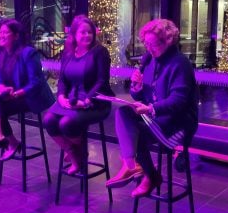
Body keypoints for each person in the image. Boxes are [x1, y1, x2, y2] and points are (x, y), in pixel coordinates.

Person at [106, 19, 199, 198]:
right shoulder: (151, 61)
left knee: (136, 135)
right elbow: (143, 98)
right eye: (146, 43)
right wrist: (137, 88)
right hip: (158, 119)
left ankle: (146, 173)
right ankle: (133, 165)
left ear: (168, 42)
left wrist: (150, 109)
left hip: (178, 125)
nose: (149, 48)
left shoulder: (180, 64)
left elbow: (178, 102)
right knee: (123, 113)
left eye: (153, 44)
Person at [43, 15, 114, 174]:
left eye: (90, 32)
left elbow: (102, 81)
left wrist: (87, 100)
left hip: (96, 102)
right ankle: (75, 154)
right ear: (74, 35)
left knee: (66, 123)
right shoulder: (68, 54)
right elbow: (62, 80)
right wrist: (61, 97)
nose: (87, 35)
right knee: (48, 120)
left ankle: (78, 155)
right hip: (71, 100)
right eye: (83, 32)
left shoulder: (100, 52)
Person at [0, 19, 55, 161]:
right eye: (0, 32)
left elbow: (36, 81)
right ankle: (0, 136)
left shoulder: (28, 53)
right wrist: (1, 88)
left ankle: (11, 143)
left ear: (16, 36)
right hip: (11, 95)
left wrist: (18, 93)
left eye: (6, 32)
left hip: (30, 96)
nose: (2, 35)